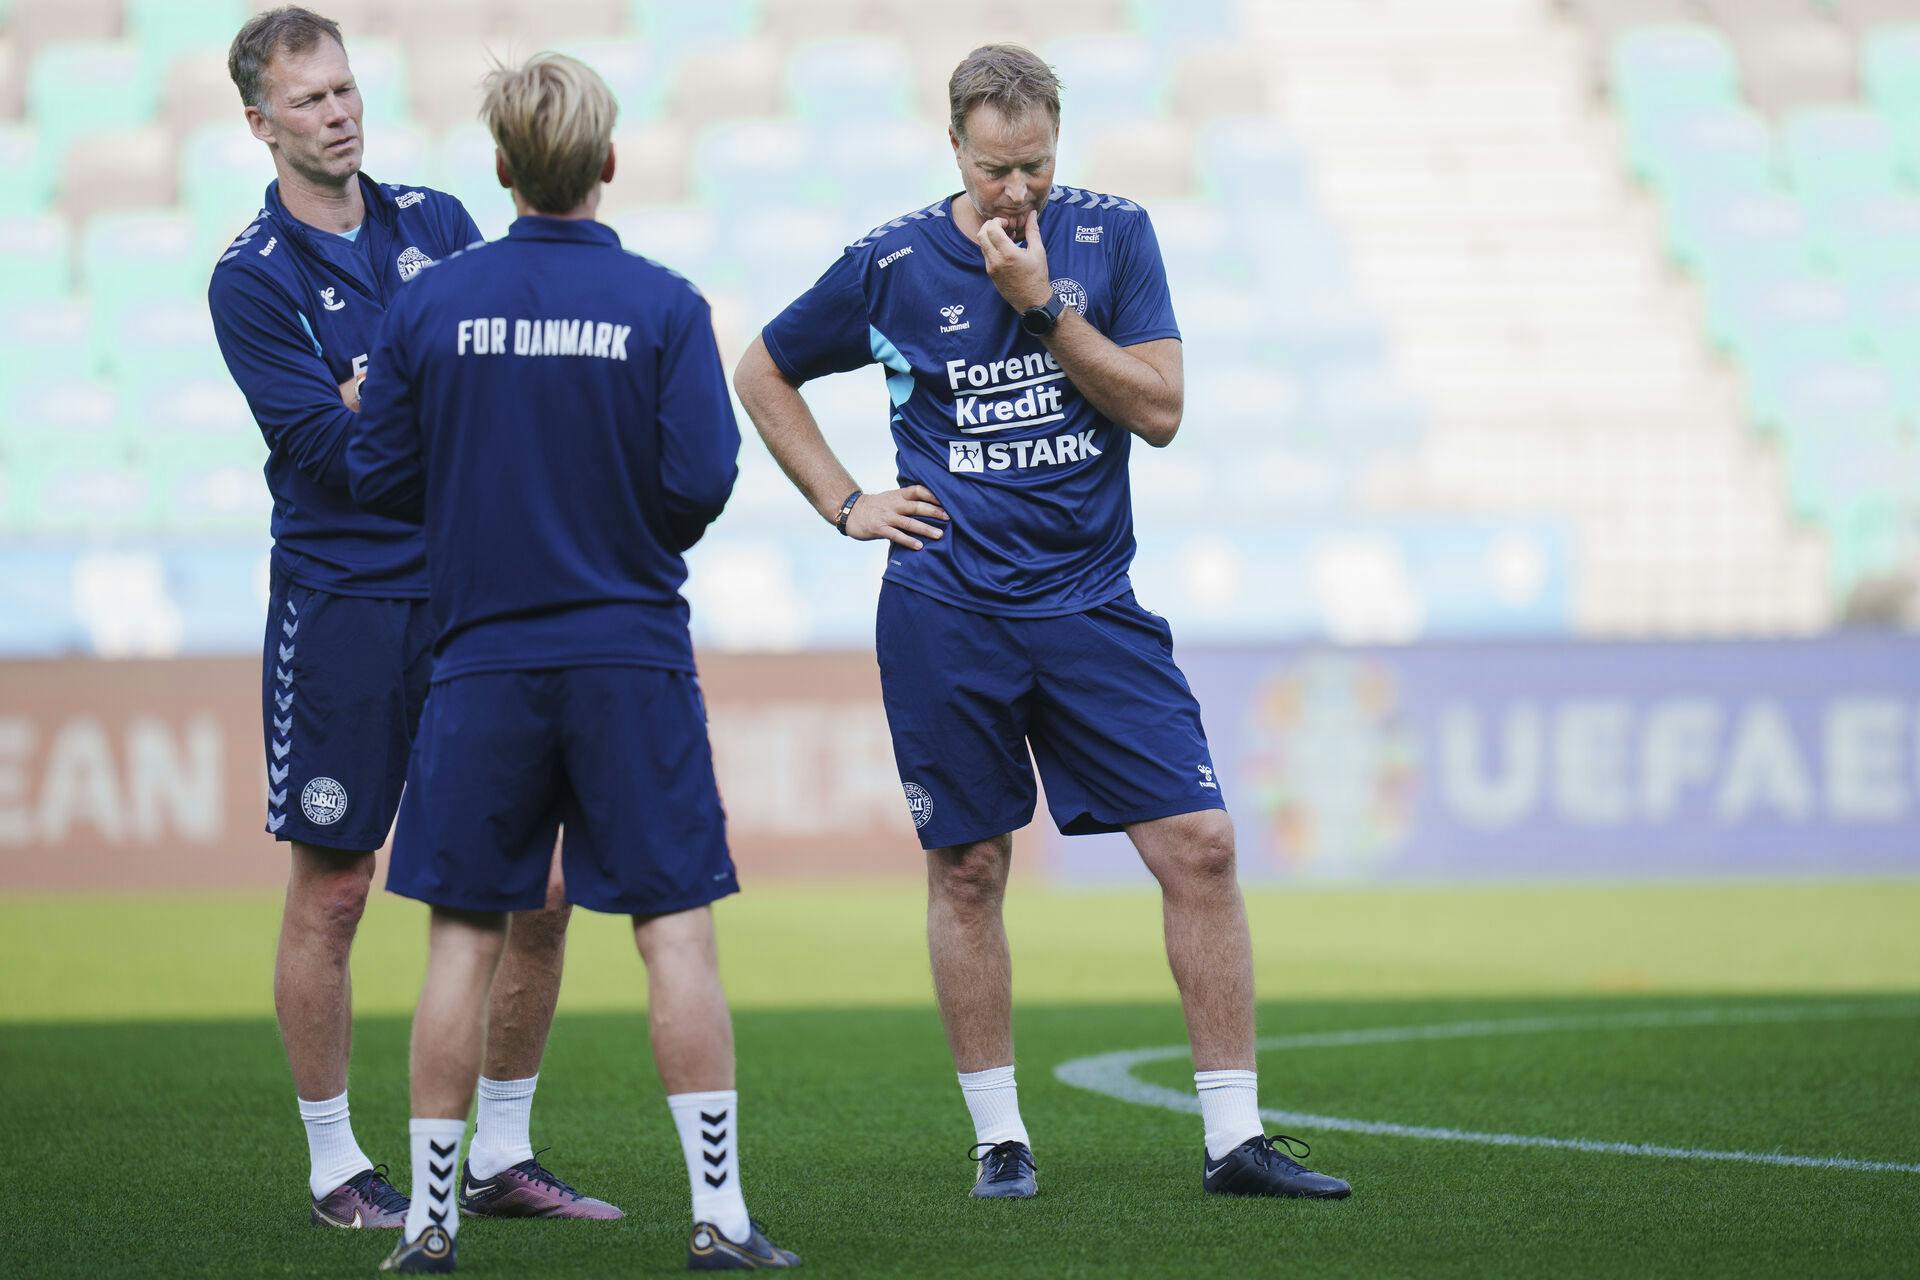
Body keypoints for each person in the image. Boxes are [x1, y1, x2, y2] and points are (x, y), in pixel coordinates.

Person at [733, 43, 1353, 1203]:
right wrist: (846, 502)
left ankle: (1235, 1139)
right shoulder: (888, 262)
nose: (1017, 190)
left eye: (1037, 166)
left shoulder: (1112, 239)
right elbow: (761, 369)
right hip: (946, 608)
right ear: (955, 151)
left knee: (1204, 846)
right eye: (995, 166)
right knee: (969, 867)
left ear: (1058, 146)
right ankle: (1001, 1140)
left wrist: (1044, 308)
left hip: (1091, 606)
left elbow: (1160, 410)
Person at [346, 52, 800, 1274]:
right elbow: (702, 481)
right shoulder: (662, 305)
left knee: (460, 939)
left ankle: (431, 1228)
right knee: (676, 935)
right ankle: (718, 1218)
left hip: (481, 660)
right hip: (627, 653)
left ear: (500, 169)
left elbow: (374, 475)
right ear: (606, 163)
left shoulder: (429, 307)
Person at [206, 7, 617, 1230]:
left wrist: (385, 382)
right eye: (310, 99)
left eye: (344, 88)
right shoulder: (249, 278)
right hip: (343, 609)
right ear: (260, 123)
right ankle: (338, 1165)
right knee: (335, 888)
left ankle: (501, 1150)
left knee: (541, 885)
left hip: (473, 596)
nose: (338, 111)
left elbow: (487, 385)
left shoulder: (438, 221)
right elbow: (335, 456)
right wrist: (415, 385)